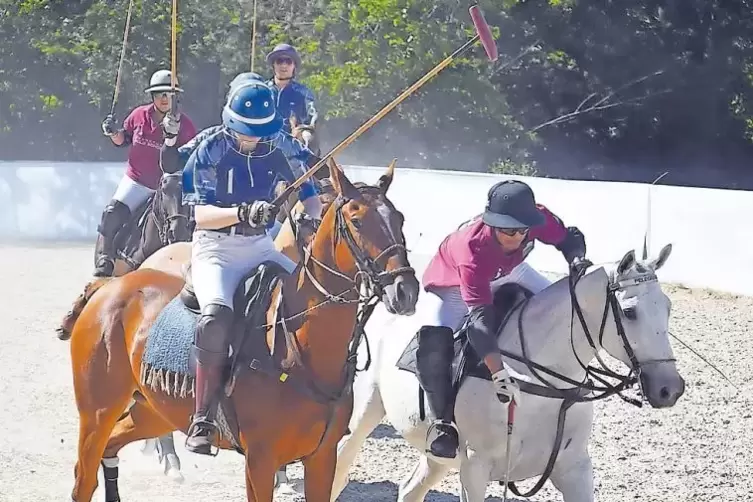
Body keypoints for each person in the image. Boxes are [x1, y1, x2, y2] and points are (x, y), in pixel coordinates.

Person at [175, 79, 323, 455]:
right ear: (230, 123)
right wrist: (242, 211)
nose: (253, 140)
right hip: (216, 251)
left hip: (259, 246)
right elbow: (199, 214)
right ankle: (202, 417)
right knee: (214, 319)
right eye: (246, 133)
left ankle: (315, 392)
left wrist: (311, 219)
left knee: (310, 298)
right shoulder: (209, 148)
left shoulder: (280, 143)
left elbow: (310, 192)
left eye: (260, 133)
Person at [416, 179, 591, 459]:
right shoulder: (470, 249)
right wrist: (498, 373)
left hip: (512, 270)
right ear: (492, 223)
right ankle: (443, 425)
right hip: (454, 285)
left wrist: (577, 260)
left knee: (566, 308)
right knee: (435, 344)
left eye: (522, 230)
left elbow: (569, 239)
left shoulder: (538, 218)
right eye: (507, 230)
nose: (516, 237)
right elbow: (480, 323)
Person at [96, 69, 197, 277]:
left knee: (183, 224)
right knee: (111, 213)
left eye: (169, 94)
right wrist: (112, 131)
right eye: (159, 94)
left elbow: (190, 160)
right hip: (138, 181)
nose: (164, 99)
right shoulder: (139, 115)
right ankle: (104, 260)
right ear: (152, 96)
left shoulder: (186, 126)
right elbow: (123, 140)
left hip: (169, 186)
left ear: (176, 97)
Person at [264, 43, 318, 137]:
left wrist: (302, 131)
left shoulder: (304, 93)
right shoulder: (262, 91)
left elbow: (313, 116)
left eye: (288, 61)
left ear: (294, 66)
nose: (284, 65)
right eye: (279, 61)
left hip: (293, 147)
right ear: (273, 65)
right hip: (263, 146)